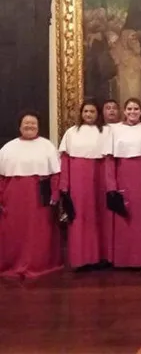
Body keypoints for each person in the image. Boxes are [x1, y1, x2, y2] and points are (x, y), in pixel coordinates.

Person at [0, 111, 63, 279]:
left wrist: (55, 194)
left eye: (33, 123)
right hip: (14, 197)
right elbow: (1, 177)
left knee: (39, 232)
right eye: (26, 123)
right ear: (20, 126)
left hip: (39, 196)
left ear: (38, 127)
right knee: (15, 231)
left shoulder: (47, 146)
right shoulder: (8, 148)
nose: (29, 126)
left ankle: (38, 263)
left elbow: (56, 173)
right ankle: (14, 263)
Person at [103, 98, 141, 268]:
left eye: (136, 108)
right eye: (129, 109)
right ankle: (123, 260)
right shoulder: (114, 131)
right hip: (122, 178)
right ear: (124, 111)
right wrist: (111, 186)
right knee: (124, 219)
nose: (132, 112)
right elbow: (110, 161)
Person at [58, 100, 112, 269]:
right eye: (86, 111)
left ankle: (100, 258)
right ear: (81, 113)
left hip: (99, 177)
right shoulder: (71, 133)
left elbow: (109, 160)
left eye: (92, 111)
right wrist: (64, 185)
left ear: (98, 114)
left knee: (100, 215)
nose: (88, 114)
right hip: (78, 178)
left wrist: (110, 185)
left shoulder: (106, 132)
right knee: (80, 216)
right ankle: (80, 259)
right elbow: (65, 160)